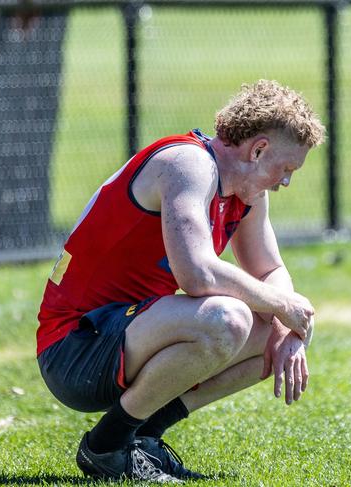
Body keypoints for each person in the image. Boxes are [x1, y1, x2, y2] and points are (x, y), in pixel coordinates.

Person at [36, 80, 324, 482]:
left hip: (129, 333)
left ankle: (141, 440)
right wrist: (283, 306)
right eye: (287, 169)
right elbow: (197, 273)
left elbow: (270, 272)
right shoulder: (187, 165)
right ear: (258, 150)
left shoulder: (247, 191)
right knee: (228, 319)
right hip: (72, 348)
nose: (285, 182)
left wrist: (289, 325)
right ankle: (106, 446)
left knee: (269, 334)